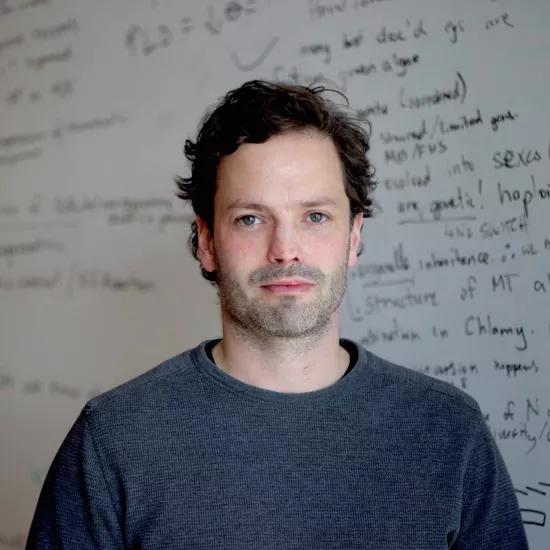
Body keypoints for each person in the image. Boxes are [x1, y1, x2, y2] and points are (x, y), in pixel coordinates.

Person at [26, 80, 528, 549]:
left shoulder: (449, 433)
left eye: (315, 216)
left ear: (353, 237)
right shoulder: (112, 441)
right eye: (251, 218)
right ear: (207, 242)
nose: (285, 249)